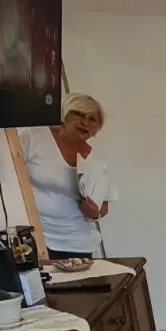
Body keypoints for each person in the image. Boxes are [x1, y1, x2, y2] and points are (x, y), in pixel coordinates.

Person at [19, 92, 115, 258]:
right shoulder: (33, 137)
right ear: (64, 114)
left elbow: (103, 208)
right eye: (78, 114)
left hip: (79, 245)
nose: (85, 122)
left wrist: (94, 212)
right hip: (35, 239)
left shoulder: (97, 160)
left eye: (92, 119)